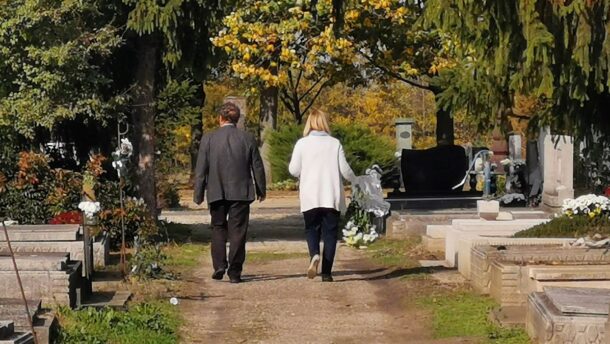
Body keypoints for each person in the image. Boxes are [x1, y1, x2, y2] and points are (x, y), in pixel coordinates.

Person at [193, 102, 266, 283]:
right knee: (238, 231)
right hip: (241, 192)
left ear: (220, 118)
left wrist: (198, 194)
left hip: (217, 190)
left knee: (218, 228)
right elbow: (257, 166)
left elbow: (201, 169)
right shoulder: (247, 138)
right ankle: (234, 271)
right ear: (237, 119)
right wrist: (261, 188)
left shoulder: (208, 139)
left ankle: (219, 265)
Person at [288, 109, 356, 282]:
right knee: (330, 234)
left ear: (309, 123)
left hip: (310, 196)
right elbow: (345, 170)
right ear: (325, 123)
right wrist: (356, 180)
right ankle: (327, 273)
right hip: (330, 195)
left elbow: (293, 169)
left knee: (311, 229)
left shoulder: (302, 144)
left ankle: (314, 255)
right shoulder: (335, 143)